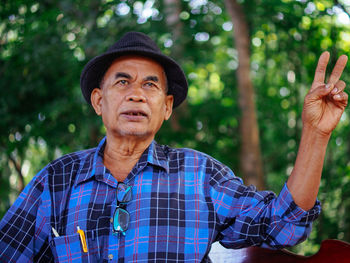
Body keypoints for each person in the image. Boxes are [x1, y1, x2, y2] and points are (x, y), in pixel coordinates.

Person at [0, 31, 347, 262]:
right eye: (123, 81)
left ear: (166, 107)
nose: (136, 93)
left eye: (150, 85)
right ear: (98, 101)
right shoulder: (56, 181)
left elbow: (285, 225)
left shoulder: (200, 176)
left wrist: (315, 134)